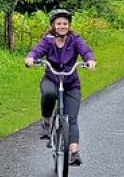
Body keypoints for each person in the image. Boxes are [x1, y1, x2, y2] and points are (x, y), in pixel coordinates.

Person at [24, 9, 97, 166]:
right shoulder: (48, 40)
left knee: (71, 118)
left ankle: (74, 153)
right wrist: (31, 58)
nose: (62, 26)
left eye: (65, 23)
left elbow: (85, 50)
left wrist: (90, 60)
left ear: (69, 25)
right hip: (52, 79)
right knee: (49, 94)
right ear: (53, 25)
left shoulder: (75, 39)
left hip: (71, 83)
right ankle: (46, 120)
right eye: (59, 23)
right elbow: (38, 50)